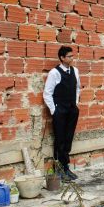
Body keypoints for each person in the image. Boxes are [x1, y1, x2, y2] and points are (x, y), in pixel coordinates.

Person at [43, 46, 81, 181]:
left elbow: (77, 88)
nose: (72, 58)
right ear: (62, 58)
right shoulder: (54, 73)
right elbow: (47, 93)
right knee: (60, 140)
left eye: (72, 56)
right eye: (69, 56)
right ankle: (59, 169)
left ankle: (66, 167)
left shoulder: (75, 71)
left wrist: (75, 104)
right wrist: (55, 111)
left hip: (72, 110)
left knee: (68, 139)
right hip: (60, 111)